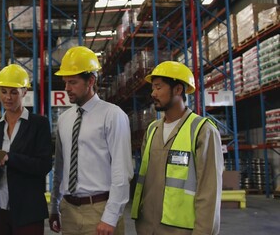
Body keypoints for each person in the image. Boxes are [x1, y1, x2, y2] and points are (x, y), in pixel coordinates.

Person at [131, 61, 224, 234]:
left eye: (158, 87)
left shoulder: (202, 130)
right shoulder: (152, 130)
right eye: (153, 88)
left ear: (178, 90)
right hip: (148, 227)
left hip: (182, 230)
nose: (153, 93)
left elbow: (209, 191)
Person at [49, 46, 134, 235]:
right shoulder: (64, 120)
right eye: (65, 82)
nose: (67, 89)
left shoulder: (112, 115)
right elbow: (60, 168)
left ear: (91, 81)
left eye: (73, 82)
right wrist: (55, 206)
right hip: (69, 211)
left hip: (99, 211)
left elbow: (122, 170)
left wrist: (110, 217)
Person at [0, 64, 52, 235]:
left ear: (24, 92)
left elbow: (44, 165)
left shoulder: (39, 124)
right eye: (4, 91)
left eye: (14, 92)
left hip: (27, 211)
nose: (8, 97)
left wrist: (9, 158)